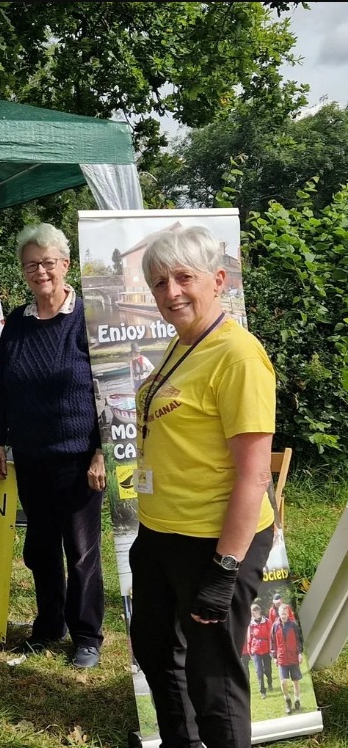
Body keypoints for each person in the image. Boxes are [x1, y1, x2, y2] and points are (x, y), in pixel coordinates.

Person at [128, 225, 276, 748]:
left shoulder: (238, 356)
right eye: (160, 282)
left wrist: (225, 569)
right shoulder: (182, 345)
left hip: (213, 542)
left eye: (184, 278)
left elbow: (255, 473)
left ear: (217, 280)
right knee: (153, 647)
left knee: (213, 678)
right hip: (162, 531)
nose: (171, 292)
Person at [0, 223, 105, 669]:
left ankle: (88, 636)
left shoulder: (89, 319)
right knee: (39, 549)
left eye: (48, 263)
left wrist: (101, 451)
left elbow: (110, 391)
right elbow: (1, 386)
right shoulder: (17, 321)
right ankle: (48, 625)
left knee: (81, 552)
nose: (40, 272)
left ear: (66, 265)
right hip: (31, 456)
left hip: (79, 457)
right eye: (31, 265)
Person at [271, 604, 304, 714]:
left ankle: (297, 700)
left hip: (293, 657)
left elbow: (299, 640)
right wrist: (274, 656)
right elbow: (272, 642)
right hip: (281, 658)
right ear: (279, 614)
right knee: (283, 681)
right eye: (281, 614)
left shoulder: (293, 625)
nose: (283, 616)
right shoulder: (275, 626)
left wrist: (300, 653)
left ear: (288, 613)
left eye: (285, 614)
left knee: (295, 682)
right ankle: (287, 701)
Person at [247, 603, 274, 698]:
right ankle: (262, 691)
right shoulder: (250, 624)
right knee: (259, 671)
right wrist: (249, 650)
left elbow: (271, 636)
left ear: (259, 611)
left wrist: (272, 649)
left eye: (255, 612)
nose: (253, 614)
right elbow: (249, 637)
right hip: (256, 650)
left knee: (267, 669)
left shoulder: (267, 622)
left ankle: (270, 681)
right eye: (252, 612)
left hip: (266, 649)